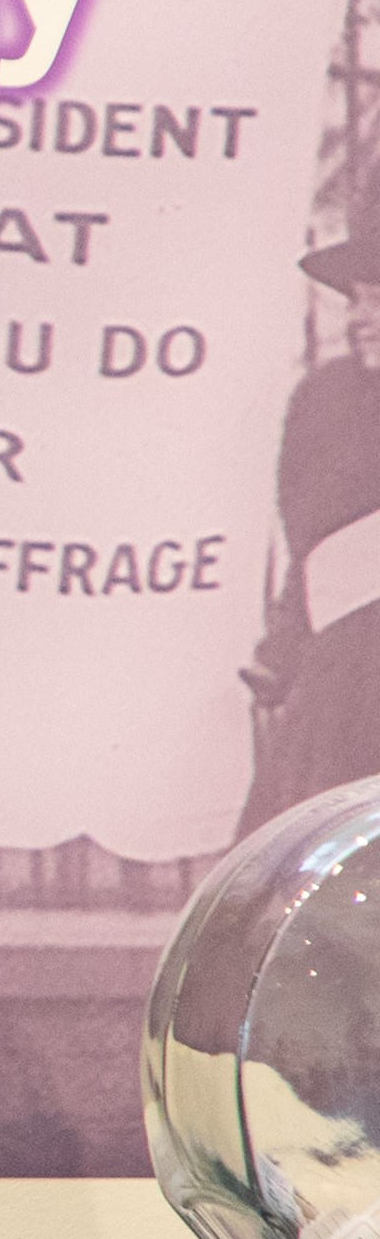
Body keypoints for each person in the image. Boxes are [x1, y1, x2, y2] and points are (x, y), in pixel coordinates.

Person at [240, 229, 380, 833]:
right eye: (355, 299)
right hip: (343, 683)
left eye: (378, 298)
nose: (361, 318)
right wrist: (286, 645)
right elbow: (306, 544)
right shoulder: (328, 402)